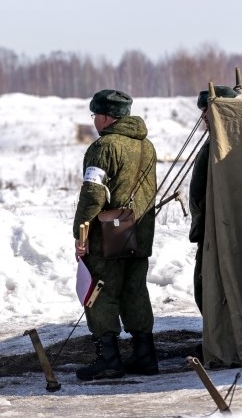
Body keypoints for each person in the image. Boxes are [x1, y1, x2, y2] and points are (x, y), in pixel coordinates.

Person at [73, 89, 158, 381]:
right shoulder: (147, 146)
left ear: (107, 116)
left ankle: (109, 360)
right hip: (140, 232)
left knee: (101, 292)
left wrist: (81, 232)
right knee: (135, 291)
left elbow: (93, 194)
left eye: (95, 114)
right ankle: (145, 355)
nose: (94, 119)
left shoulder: (104, 147)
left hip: (108, 234)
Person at [189, 85, 237, 314]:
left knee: (209, 284)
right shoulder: (215, 142)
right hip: (208, 227)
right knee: (205, 284)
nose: (203, 116)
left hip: (219, 227)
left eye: (207, 110)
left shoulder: (225, 144)